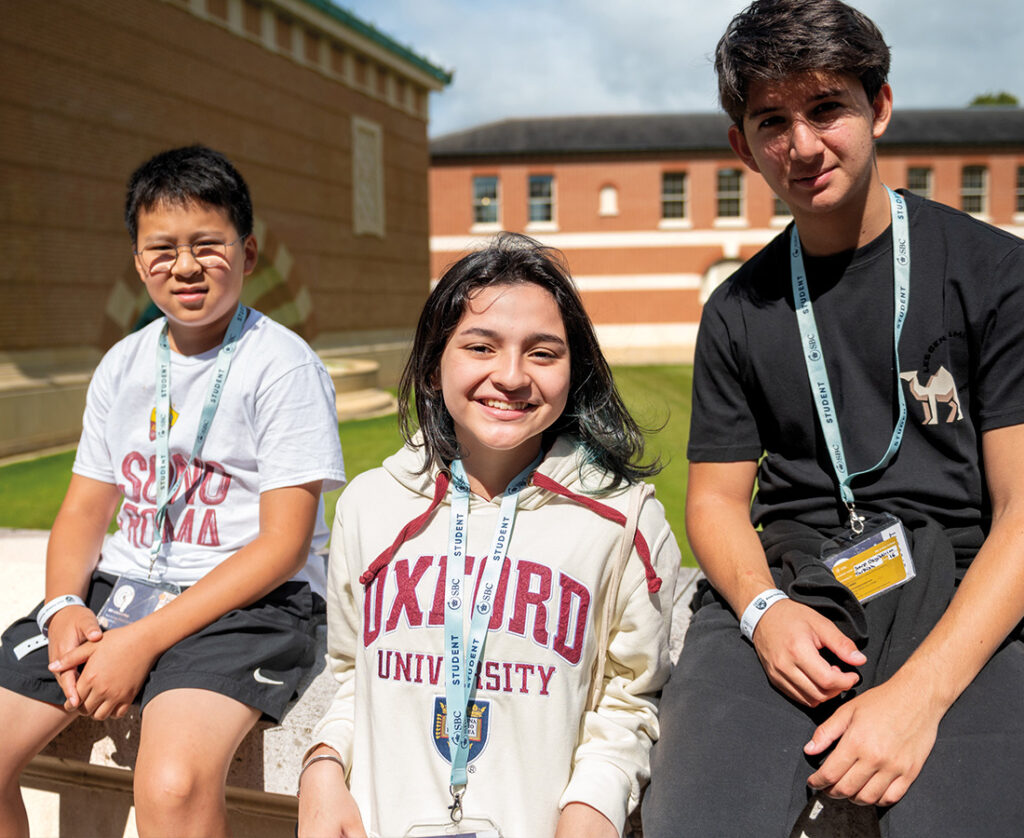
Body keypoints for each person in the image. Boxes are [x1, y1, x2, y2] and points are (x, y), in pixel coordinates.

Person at [641, 1, 1024, 835]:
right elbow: (712, 502)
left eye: (826, 108)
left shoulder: (995, 273)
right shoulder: (737, 309)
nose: (803, 145)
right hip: (795, 592)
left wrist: (919, 697)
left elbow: (1023, 513)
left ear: (878, 106)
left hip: (961, 586)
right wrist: (761, 612)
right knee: (697, 821)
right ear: (743, 146)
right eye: (772, 120)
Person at [0, 145, 345, 838]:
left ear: (246, 254)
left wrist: (141, 643)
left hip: (248, 607)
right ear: (137, 262)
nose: (184, 266)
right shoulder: (125, 363)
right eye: (162, 249)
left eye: (207, 246)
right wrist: (66, 603)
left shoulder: (282, 367)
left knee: (171, 786)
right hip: (124, 589)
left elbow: (283, 546)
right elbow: (85, 508)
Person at [297, 233, 680, 838]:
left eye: (543, 353)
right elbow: (350, 673)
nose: (510, 377)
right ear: (432, 365)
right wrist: (322, 765)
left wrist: (593, 808)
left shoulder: (625, 520)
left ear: (573, 369)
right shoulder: (369, 507)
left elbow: (630, 700)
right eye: (480, 346)